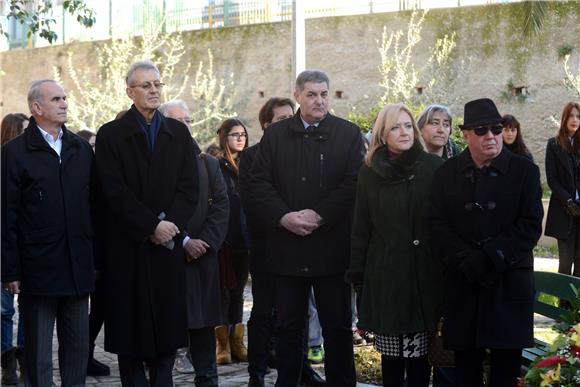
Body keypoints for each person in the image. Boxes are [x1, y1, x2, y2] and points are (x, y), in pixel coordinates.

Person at [246, 70, 363, 386]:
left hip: (332, 248)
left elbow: (353, 183)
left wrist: (320, 214)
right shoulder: (276, 135)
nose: (320, 100)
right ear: (297, 95)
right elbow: (258, 184)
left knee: (338, 328)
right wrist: (284, 217)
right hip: (287, 247)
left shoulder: (348, 134)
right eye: (312, 94)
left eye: (324, 94)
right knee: (288, 328)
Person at [95, 61, 198, 386]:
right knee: (129, 333)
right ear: (130, 92)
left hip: (166, 248)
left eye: (157, 84)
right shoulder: (111, 134)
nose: (154, 90)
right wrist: (150, 225)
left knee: (166, 331)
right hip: (129, 247)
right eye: (145, 85)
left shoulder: (178, 133)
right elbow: (113, 191)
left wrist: (170, 226)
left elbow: (189, 187)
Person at [430, 98, 543, 385]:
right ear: (466, 135)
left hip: (508, 286)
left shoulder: (525, 171)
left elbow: (529, 227)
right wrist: (466, 259)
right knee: (465, 372)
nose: (491, 136)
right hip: (463, 285)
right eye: (481, 131)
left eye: (496, 128)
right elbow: (437, 224)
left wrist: (491, 256)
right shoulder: (445, 174)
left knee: (506, 372)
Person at [2, 80, 95, 386]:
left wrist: (96, 260)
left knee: (78, 351)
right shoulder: (14, 154)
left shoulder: (80, 149)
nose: (64, 103)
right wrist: (10, 270)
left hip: (78, 268)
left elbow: (94, 207)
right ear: (37, 108)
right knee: (38, 356)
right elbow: (6, 216)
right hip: (37, 270)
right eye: (56, 99)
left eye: (65, 97)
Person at [347, 103, 444, 387]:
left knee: (418, 361)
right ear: (382, 134)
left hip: (424, 277)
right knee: (391, 360)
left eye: (407, 125)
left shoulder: (433, 167)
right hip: (387, 276)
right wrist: (359, 279)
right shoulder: (369, 172)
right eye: (394, 127)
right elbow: (361, 228)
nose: (403, 132)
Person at [240, 97, 326, 387]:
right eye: (280, 119)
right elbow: (252, 202)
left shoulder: (303, 151)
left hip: (299, 246)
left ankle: (301, 370)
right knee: (264, 313)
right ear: (266, 125)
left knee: (297, 314)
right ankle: (257, 374)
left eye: (291, 117)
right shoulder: (252, 156)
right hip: (267, 246)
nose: (288, 123)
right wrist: (282, 218)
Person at [159, 100, 229, 386]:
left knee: (202, 328)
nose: (186, 126)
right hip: (167, 256)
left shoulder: (207, 163)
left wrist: (204, 242)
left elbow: (221, 205)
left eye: (188, 120)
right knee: (165, 330)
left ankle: (207, 379)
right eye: (178, 121)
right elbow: (156, 209)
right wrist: (183, 239)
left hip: (202, 260)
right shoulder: (155, 163)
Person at [416, 104, 458, 387]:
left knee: (447, 336)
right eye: (434, 123)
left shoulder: (459, 165)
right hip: (419, 258)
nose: (441, 128)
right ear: (421, 129)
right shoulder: (412, 166)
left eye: (446, 123)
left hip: (450, 258)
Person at [214, 118, 250, 365]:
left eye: (243, 134)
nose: (240, 138)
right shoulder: (216, 164)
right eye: (235, 134)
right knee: (223, 292)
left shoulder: (251, 163)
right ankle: (222, 344)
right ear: (224, 137)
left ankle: (238, 343)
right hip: (223, 238)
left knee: (238, 291)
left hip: (244, 238)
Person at [1, 112, 28, 385]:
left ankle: (25, 359)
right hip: (4, 245)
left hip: (27, 246)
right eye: (24, 131)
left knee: (29, 307)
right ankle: (7, 364)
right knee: (4, 309)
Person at [545, 102, 580, 277]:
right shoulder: (553, 144)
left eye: (578, 116)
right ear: (565, 118)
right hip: (563, 209)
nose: (575, 120)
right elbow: (552, 179)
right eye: (571, 116)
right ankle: (563, 304)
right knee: (565, 263)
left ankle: (576, 304)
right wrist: (568, 200)